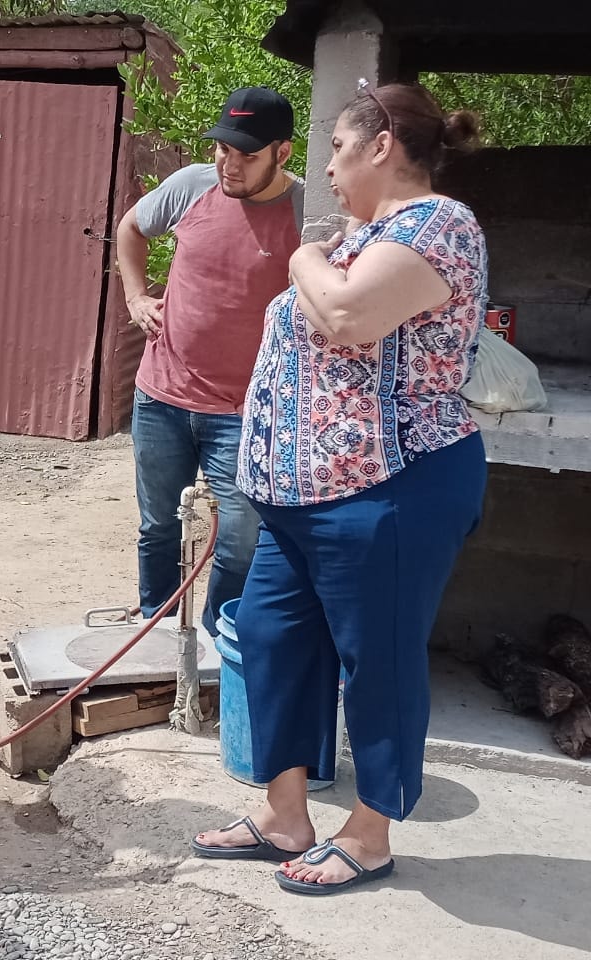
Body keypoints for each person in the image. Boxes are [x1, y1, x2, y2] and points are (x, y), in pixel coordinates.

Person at [191, 81, 488, 895]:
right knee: (269, 636)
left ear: (381, 146)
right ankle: (285, 815)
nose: (326, 168)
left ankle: (370, 834)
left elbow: (350, 317)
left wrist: (302, 257)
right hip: (303, 497)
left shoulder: (438, 225)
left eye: (338, 148)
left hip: (390, 488)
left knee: (378, 660)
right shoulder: (366, 235)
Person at [115, 87, 303, 635]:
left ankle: (218, 642)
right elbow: (131, 227)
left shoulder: (304, 211)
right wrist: (135, 297)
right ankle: (157, 628)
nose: (229, 164)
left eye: (247, 154)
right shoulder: (192, 185)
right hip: (161, 397)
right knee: (157, 526)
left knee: (240, 539)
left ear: (282, 153)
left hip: (244, 412)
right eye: (223, 148)